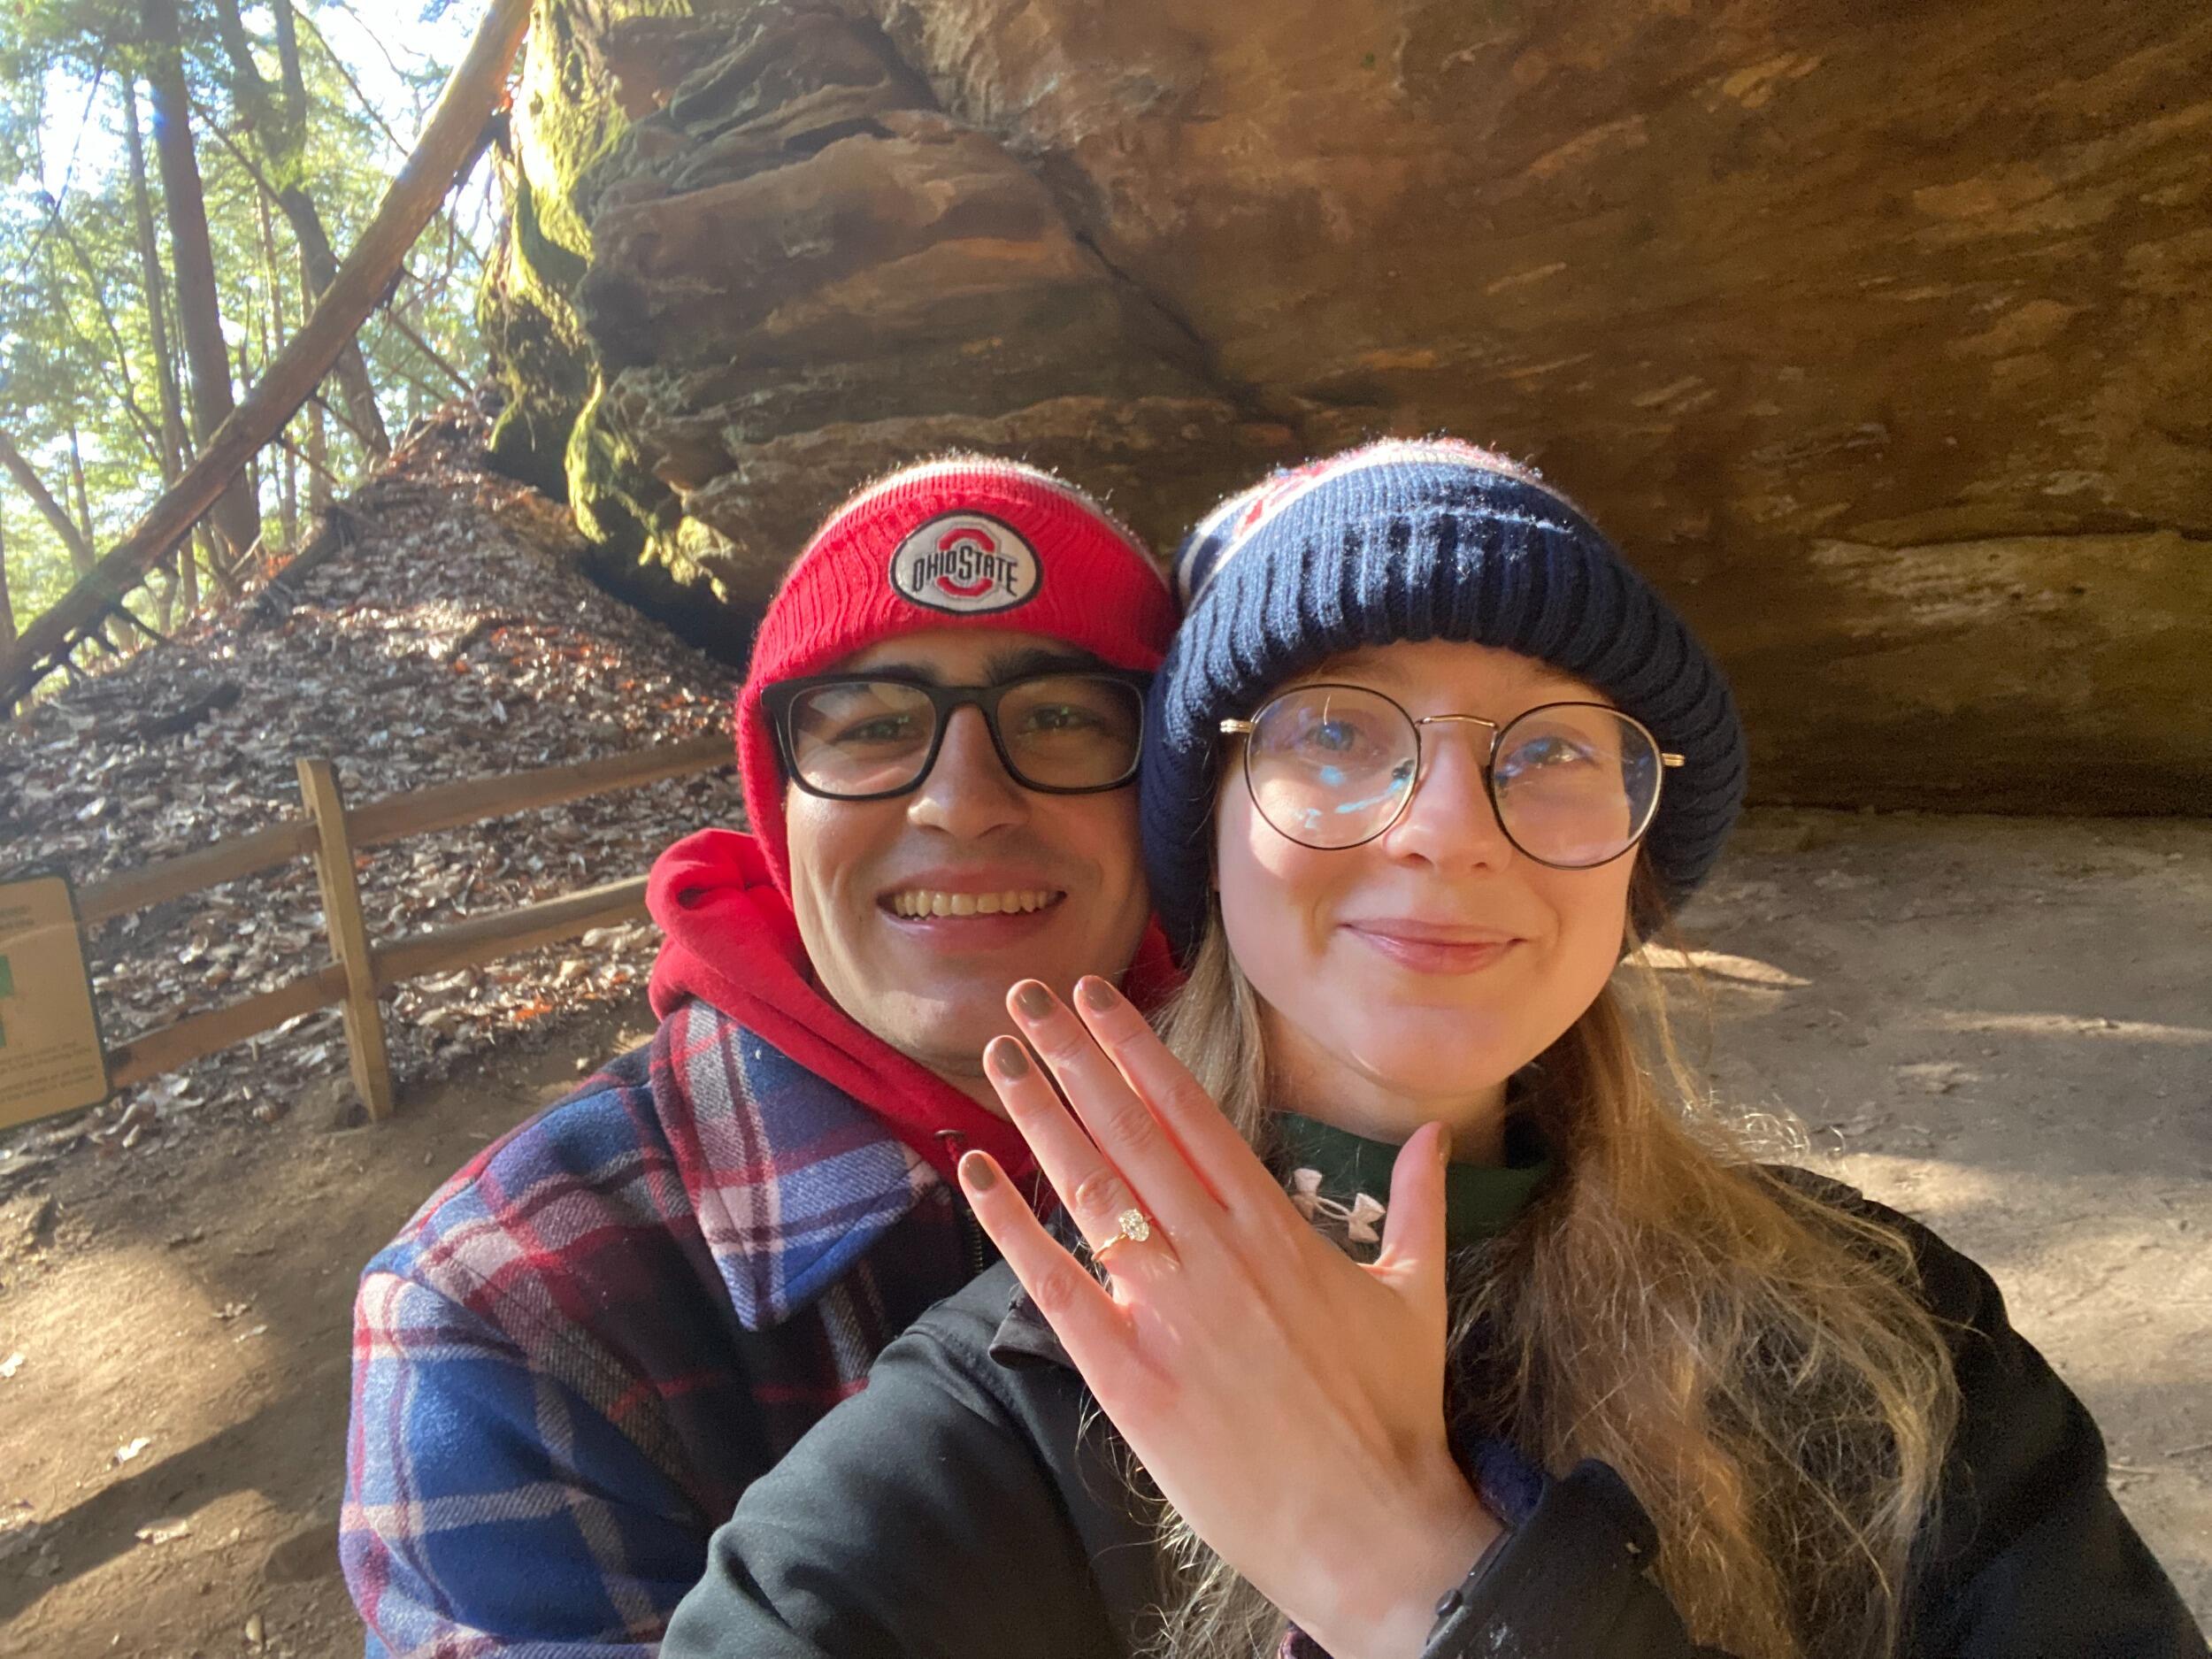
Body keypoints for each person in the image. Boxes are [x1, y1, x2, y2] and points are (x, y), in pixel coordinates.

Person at [662, 440, 2208, 1659]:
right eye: (1335, 733)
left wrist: (1413, 1578)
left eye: (1549, 749)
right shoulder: (1003, 1417)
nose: (1448, 831)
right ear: (1205, 824)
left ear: (1631, 862)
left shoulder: (1895, 1341)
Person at [340, 456, 1179, 1656]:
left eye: (1059, 715)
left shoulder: (1349, 1148)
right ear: (780, 806)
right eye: (876, 726)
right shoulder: (505, 1313)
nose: (962, 801)